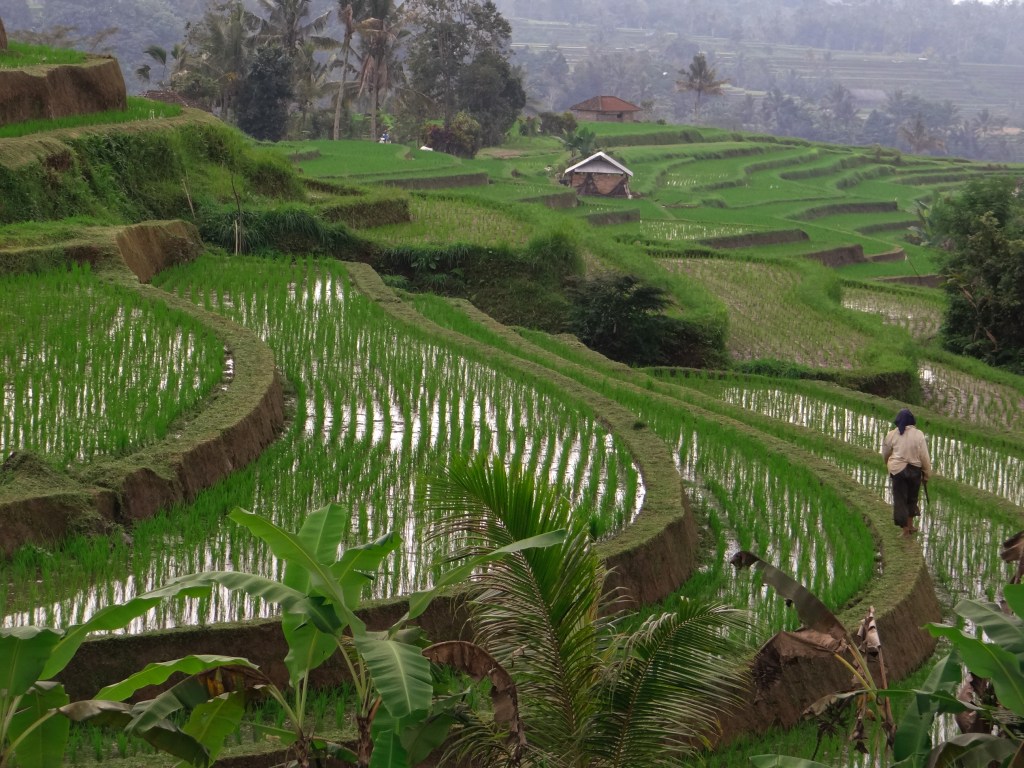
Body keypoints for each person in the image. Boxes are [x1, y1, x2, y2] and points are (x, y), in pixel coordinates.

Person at [882, 408, 932, 536]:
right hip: (914, 470)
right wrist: (926, 474)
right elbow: (924, 457)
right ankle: (909, 526)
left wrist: (888, 463)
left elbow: (886, 452)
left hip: (897, 470)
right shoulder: (919, 434)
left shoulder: (892, 434)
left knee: (901, 499)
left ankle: (906, 529)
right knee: (912, 498)